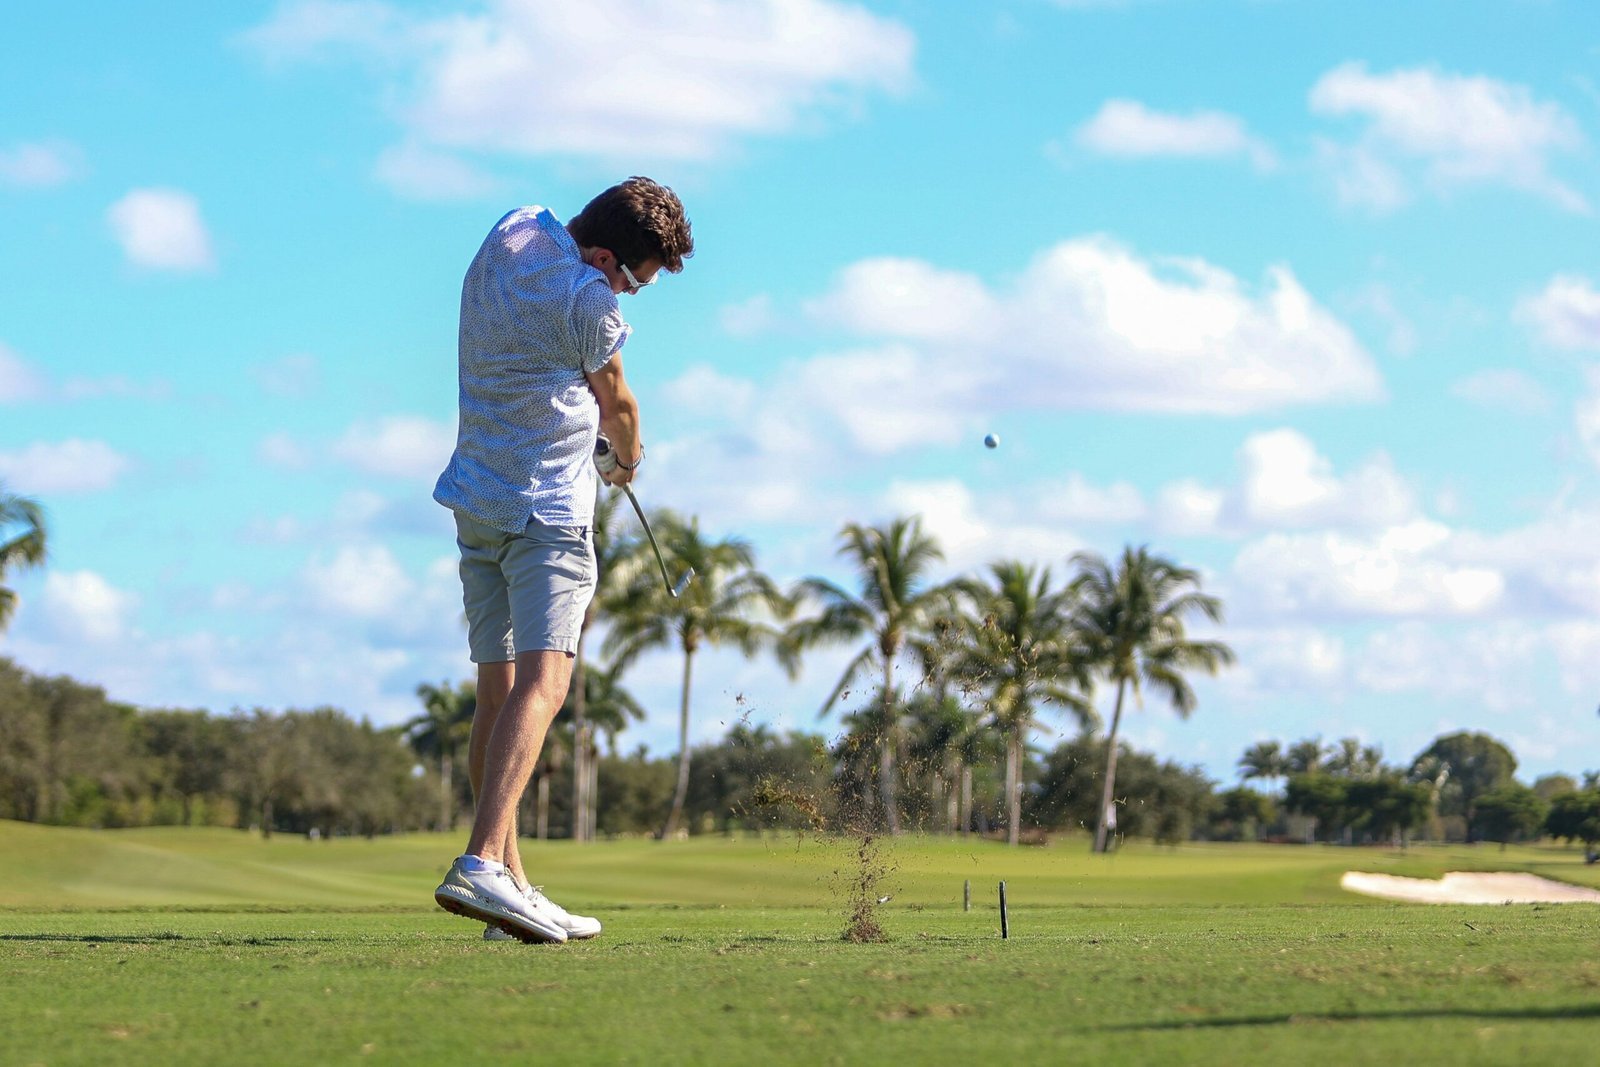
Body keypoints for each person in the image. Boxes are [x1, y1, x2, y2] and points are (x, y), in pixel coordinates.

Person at [431, 178, 693, 943]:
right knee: (545, 684)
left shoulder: (514, 229)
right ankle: (481, 861)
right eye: (632, 280)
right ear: (606, 255)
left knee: (497, 692)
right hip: (545, 511)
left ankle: (504, 889)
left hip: (476, 499)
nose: (627, 295)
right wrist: (625, 462)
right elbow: (622, 409)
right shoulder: (590, 300)